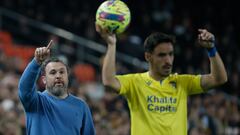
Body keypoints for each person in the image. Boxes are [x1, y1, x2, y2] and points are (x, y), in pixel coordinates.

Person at [96, 26, 227, 135]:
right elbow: (108, 81)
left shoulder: (182, 82)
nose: (168, 61)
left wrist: (211, 49)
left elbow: (219, 79)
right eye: (162, 55)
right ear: (148, 56)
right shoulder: (135, 82)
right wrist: (112, 44)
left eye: (171, 54)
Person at [18, 40, 95, 135]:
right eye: (53, 72)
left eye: (62, 72)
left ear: (67, 76)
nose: (58, 76)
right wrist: (36, 62)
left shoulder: (81, 106)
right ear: (44, 80)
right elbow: (24, 87)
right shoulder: (36, 102)